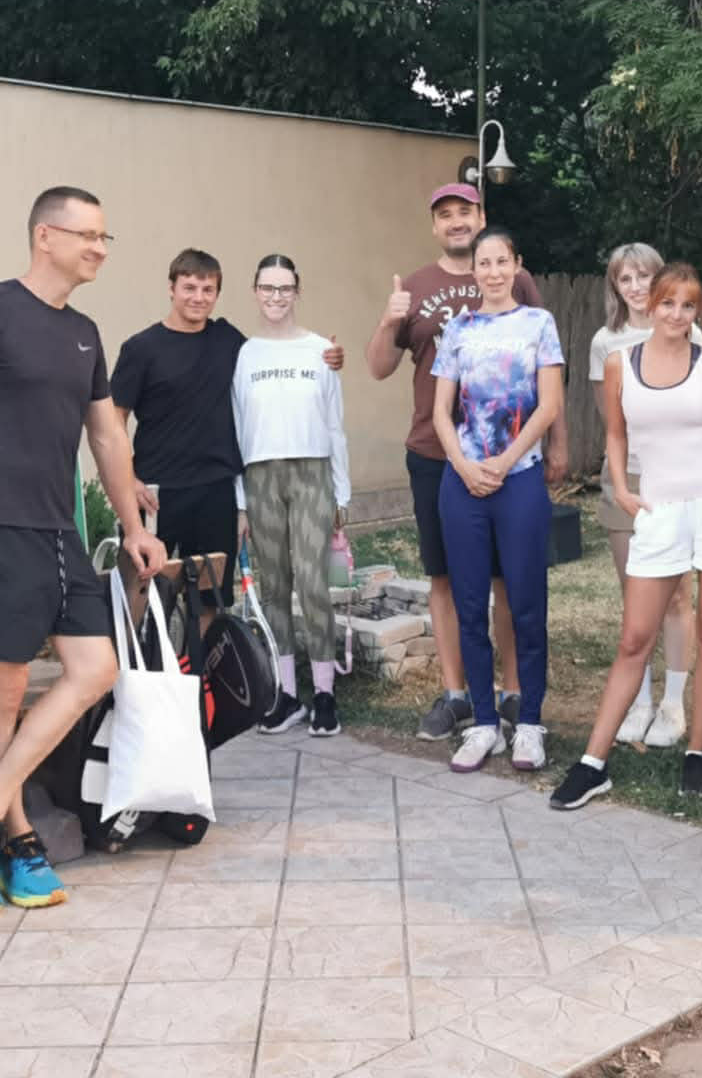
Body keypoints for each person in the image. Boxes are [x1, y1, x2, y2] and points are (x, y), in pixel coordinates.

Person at [0, 185, 167, 915]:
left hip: (57, 533)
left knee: (96, 669)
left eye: (106, 238)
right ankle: (16, 839)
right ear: (45, 236)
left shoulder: (84, 332)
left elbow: (106, 437)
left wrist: (133, 526)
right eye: (88, 235)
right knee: (5, 692)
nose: (100, 249)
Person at [551, 264, 702, 809]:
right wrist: (622, 489)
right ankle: (593, 763)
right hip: (660, 508)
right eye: (667, 303)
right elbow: (616, 434)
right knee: (634, 639)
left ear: (698, 311)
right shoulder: (620, 363)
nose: (676, 314)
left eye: (687, 305)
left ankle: (697, 752)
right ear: (651, 305)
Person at [366, 183, 563, 743]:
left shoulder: (522, 292)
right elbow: (381, 369)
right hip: (439, 458)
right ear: (436, 226)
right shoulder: (417, 289)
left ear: (482, 220)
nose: (456, 221)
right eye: (445, 214)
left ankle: (514, 695)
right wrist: (388, 320)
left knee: (509, 584)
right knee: (448, 580)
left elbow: (548, 385)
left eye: (465, 212)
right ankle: (459, 697)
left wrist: (552, 447)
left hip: (512, 463)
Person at [112, 249, 340, 623]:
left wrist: (324, 357)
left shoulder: (227, 340)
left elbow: (272, 359)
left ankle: (200, 661)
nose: (198, 297)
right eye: (189, 287)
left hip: (216, 490)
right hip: (156, 493)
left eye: (208, 289)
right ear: (171, 288)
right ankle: (137, 660)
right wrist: (128, 479)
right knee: (143, 595)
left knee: (211, 598)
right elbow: (113, 421)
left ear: (217, 293)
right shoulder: (141, 349)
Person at [430, 226, 565, 774]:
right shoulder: (458, 329)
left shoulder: (539, 324)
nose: (492, 272)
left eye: (501, 261)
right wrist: (465, 467)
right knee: (469, 606)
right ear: (474, 271)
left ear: (516, 264)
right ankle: (484, 723)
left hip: (520, 479)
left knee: (527, 604)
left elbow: (549, 404)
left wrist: (505, 463)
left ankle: (528, 722)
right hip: (462, 484)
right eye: (483, 263)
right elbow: (441, 412)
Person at [588, 244, 702, 750]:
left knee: (677, 596)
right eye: (625, 279)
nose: (636, 287)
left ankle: (674, 705)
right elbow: (610, 421)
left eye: (644, 277)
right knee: (635, 597)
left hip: (678, 480)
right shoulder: (605, 342)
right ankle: (639, 701)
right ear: (615, 287)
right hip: (628, 480)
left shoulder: (689, 332)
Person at [232, 253, 352, 739]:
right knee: (274, 587)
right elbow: (236, 428)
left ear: (297, 292)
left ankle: (324, 693)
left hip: (312, 472)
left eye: (285, 288)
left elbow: (334, 424)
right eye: (268, 287)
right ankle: (286, 695)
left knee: (313, 583)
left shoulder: (321, 351)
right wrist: (240, 501)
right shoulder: (244, 355)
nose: (276, 296)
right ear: (255, 292)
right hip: (260, 475)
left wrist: (341, 491)